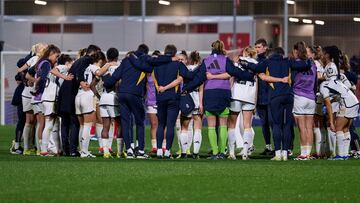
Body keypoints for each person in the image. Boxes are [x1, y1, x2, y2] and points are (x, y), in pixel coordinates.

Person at [182, 40, 255, 159]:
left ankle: (215, 153)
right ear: (222, 48)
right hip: (223, 93)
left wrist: (186, 88)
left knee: (211, 125)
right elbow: (235, 72)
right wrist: (250, 77)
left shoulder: (206, 61)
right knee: (223, 125)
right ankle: (222, 152)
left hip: (210, 94)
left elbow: (198, 79)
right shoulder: (226, 60)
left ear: (212, 48)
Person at [241, 47, 311, 161]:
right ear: (282, 54)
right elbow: (305, 65)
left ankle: (278, 153)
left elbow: (253, 67)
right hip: (289, 96)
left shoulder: (266, 62)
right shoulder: (288, 61)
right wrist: (308, 59)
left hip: (274, 97)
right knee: (287, 125)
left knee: (277, 125)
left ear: (271, 54)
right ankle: (285, 153)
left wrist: (243, 63)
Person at [104, 44, 173, 159]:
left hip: (122, 94)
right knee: (140, 123)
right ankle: (140, 151)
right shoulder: (145, 60)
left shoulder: (126, 60)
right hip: (135, 95)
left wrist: (106, 82)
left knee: (126, 123)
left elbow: (115, 77)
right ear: (145, 52)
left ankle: (129, 150)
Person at [57, 45, 101, 156]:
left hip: (65, 93)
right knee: (76, 123)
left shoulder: (78, 61)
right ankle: (74, 150)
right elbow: (82, 72)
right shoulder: (86, 60)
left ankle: (67, 150)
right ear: (93, 52)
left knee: (66, 123)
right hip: (73, 93)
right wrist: (81, 81)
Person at [320, 46, 359, 160]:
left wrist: (331, 122)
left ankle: (341, 155)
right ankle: (345, 154)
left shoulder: (324, 85)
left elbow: (328, 106)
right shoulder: (338, 80)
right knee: (345, 129)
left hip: (347, 103)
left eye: (323, 54)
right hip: (354, 101)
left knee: (338, 128)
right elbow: (350, 88)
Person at [227, 46, 258, 160]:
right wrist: (255, 100)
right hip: (249, 96)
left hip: (236, 95)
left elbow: (231, 80)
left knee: (232, 124)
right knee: (247, 125)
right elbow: (257, 83)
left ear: (245, 52)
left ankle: (231, 152)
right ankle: (245, 152)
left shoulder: (237, 63)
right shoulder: (256, 64)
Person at [75, 51, 106, 158]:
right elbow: (99, 72)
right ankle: (84, 151)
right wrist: (108, 65)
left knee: (82, 126)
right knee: (88, 125)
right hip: (87, 95)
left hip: (78, 95)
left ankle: (82, 150)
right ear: (100, 61)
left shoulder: (84, 66)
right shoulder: (93, 66)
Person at [291, 42, 317, 160]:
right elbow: (316, 81)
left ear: (297, 51)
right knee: (309, 127)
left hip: (299, 96)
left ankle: (303, 154)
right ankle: (308, 153)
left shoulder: (296, 63)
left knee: (302, 127)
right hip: (311, 97)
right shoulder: (313, 64)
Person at [254, 39, 273, 156]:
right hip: (260, 97)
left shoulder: (269, 61)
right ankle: (268, 146)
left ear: (265, 48)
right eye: (256, 47)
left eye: (259, 47)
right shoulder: (255, 61)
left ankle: (281, 147)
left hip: (269, 96)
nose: (257, 49)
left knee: (273, 122)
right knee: (264, 123)